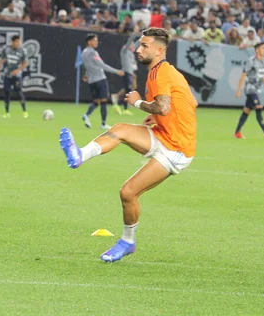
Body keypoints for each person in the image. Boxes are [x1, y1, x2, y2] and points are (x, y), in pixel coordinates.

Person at [59, 28, 197, 262]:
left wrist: (138, 103)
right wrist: (157, 117)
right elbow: (191, 102)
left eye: (144, 46)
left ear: (159, 50)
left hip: (177, 149)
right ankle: (79, 155)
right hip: (164, 134)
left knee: (128, 192)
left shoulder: (161, 73)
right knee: (121, 129)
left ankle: (127, 242)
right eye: (139, 45)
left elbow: (163, 107)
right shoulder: (162, 71)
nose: (137, 49)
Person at [81, 34, 125, 130]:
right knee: (104, 101)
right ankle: (103, 124)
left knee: (96, 102)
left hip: (91, 81)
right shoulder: (93, 53)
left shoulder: (83, 53)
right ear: (89, 42)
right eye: (95, 40)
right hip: (100, 80)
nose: (97, 42)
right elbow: (102, 65)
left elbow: (87, 66)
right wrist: (116, 71)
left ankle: (86, 115)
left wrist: (86, 74)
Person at [234, 43, 264, 139]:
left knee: (247, 110)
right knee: (259, 106)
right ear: (257, 50)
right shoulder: (251, 61)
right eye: (263, 48)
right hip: (250, 89)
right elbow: (243, 75)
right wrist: (239, 90)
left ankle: (237, 133)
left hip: (256, 89)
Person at [0, 35, 28, 118]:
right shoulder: (6, 49)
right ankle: (7, 112)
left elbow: (25, 63)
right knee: (7, 92)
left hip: (17, 75)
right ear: (12, 42)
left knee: (19, 92)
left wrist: (18, 70)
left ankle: (25, 112)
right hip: (7, 74)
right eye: (16, 41)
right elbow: (2, 59)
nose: (18, 43)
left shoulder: (22, 51)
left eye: (19, 41)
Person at [112, 33, 139, 116]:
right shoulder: (125, 50)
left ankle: (119, 103)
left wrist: (143, 37)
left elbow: (137, 44)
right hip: (126, 73)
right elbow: (129, 41)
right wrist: (134, 34)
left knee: (128, 90)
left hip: (130, 73)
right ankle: (123, 107)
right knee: (128, 90)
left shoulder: (130, 53)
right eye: (132, 44)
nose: (133, 46)